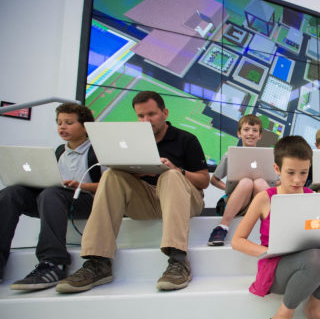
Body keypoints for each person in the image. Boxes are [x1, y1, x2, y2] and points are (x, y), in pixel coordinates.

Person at [56, 91, 209, 293]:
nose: (145, 120)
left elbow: (204, 180)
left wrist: (177, 169)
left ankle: (178, 259)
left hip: (184, 200)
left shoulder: (185, 139)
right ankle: (98, 262)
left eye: (151, 114)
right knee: (111, 175)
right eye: (140, 116)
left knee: (171, 176)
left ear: (165, 113)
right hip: (146, 201)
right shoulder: (130, 141)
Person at [231, 136, 320, 319]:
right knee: (317, 258)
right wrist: (267, 251)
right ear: (277, 168)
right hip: (277, 269)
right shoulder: (264, 198)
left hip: (310, 262)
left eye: (304, 173)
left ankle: (315, 310)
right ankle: (282, 317)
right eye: (290, 172)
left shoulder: (312, 196)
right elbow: (237, 241)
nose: (298, 180)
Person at [0, 103, 101, 290]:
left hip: (88, 200)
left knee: (51, 193)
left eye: (69, 122)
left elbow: (111, 185)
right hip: (56, 198)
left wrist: (82, 185)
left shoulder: (97, 150)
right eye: (60, 122)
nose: (62, 127)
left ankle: (53, 263)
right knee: (10, 193)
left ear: (85, 127)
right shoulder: (60, 152)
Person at [207, 114, 274, 246]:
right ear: (239, 133)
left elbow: (275, 182)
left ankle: (276, 225)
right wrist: (228, 189)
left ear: (260, 135)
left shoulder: (267, 156)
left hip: (258, 203)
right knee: (246, 182)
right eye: (246, 129)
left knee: (259, 182)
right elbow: (214, 180)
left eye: (255, 130)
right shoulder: (229, 154)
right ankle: (222, 227)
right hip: (237, 203)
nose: (251, 133)